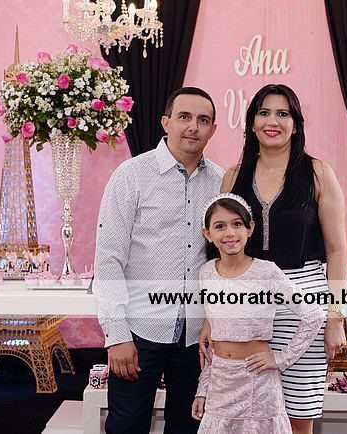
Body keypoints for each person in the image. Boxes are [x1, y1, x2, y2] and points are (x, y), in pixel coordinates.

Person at [200, 84, 347, 434]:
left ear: (296, 124)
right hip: (245, 302)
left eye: (283, 114)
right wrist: (210, 318)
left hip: (303, 304)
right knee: (247, 413)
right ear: (251, 123)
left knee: (297, 411)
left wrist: (335, 317)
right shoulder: (233, 177)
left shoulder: (318, 173)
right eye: (264, 112)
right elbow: (221, 250)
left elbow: (337, 250)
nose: (273, 121)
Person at [93, 87, 222, 434]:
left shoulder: (221, 182)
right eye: (184, 117)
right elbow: (108, 260)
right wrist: (116, 335)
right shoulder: (131, 175)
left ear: (212, 130)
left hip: (196, 337)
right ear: (166, 122)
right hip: (139, 330)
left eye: (203, 120)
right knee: (126, 427)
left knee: (189, 427)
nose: (193, 126)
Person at [191, 193, 325, 433]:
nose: (230, 233)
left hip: (258, 382)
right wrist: (203, 390)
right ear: (207, 234)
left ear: (250, 228)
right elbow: (214, 340)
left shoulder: (267, 272)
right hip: (220, 384)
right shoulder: (206, 273)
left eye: (237, 224)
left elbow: (313, 314)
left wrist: (280, 359)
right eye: (220, 226)